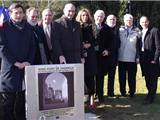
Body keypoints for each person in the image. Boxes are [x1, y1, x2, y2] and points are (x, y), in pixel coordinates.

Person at [0, 3, 36, 120]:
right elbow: (2, 48)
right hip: (9, 70)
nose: (19, 15)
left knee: (22, 102)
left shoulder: (29, 28)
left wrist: (28, 62)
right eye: (16, 13)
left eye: (21, 13)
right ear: (10, 14)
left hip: (25, 70)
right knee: (7, 104)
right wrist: (15, 63)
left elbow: (33, 47)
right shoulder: (3, 28)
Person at [76, 8, 97, 107]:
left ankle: (92, 98)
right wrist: (81, 45)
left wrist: (90, 45)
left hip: (91, 55)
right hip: (80, 54)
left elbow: (96, 40)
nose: (85, 17)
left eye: (86, 15)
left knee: (90, 76)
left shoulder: (92, 26)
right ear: (80, 16)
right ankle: (82, 99)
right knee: (81, 77)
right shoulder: (76, 26)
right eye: (83, 15)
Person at [118, 14, 141, 97]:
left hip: (132, 58)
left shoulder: (137, 31)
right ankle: (122, 92)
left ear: (132, 21)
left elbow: (140, 45)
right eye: (127, 20)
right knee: (122, 77)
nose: (129, 21)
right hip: (121, 58)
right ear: (124, 21)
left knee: (132, 77)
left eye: (130, 20)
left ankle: (132, 92)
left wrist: (138, 56)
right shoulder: (120, 30)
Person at [139, 16, 160, 104]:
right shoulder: (140, 32)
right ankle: (149, 94)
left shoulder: (154, 31)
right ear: (140, 23)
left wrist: (155, 59)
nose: (144, 23)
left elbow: (158, 47)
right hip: (144, 58)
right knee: (147, 78)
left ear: (148, 22)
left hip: (152, 59)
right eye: (142, 22)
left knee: (153, 79)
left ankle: (150, 98)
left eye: (145, 22)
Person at [93, 10, 113, 103]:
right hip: (91, 56)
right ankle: (91, 96)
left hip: (102, 57)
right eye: (98, 16)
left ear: (103, 18)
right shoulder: (89, 26)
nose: (99, 18)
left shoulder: (107, 28)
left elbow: (112, 42)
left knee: (100, 77)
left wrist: (108, 50)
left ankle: (100, 95)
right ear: (94, 16)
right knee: (91, 77)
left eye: (101, 16)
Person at [106, 14, 120, 97]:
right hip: (103, 57)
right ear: (107, 20)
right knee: (99, 77)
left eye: (114, 19)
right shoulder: (103, 28)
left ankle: (110, 93)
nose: (112, 21)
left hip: (113, 58)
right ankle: (98, 93)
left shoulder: (118, 30)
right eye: (110, 19)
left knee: (112, 77)